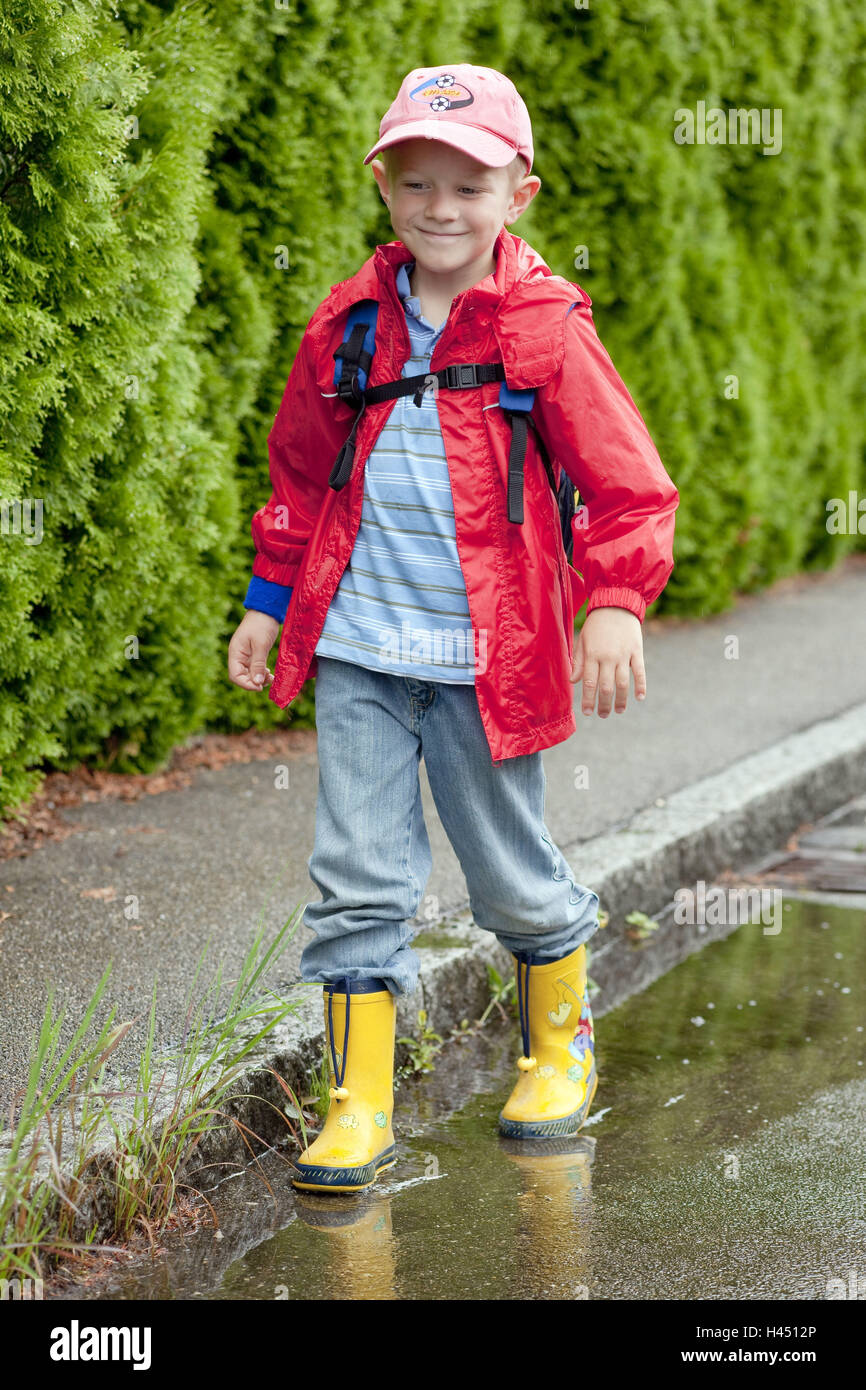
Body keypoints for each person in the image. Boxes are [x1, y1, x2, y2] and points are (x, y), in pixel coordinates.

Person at [228, 64, 679, 1192]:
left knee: (510, 878)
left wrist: (614, 601)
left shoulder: (543, 330)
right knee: (355, 879)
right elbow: (297, 474)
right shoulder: (345, 324)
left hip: (489, 662)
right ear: (383, 187)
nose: (440, 207)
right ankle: (358, 1104)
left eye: (467, 186)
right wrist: (267, 600)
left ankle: (559, 1051)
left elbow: (629, 487)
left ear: (516, 195)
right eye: (416, 182)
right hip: (360, 652)